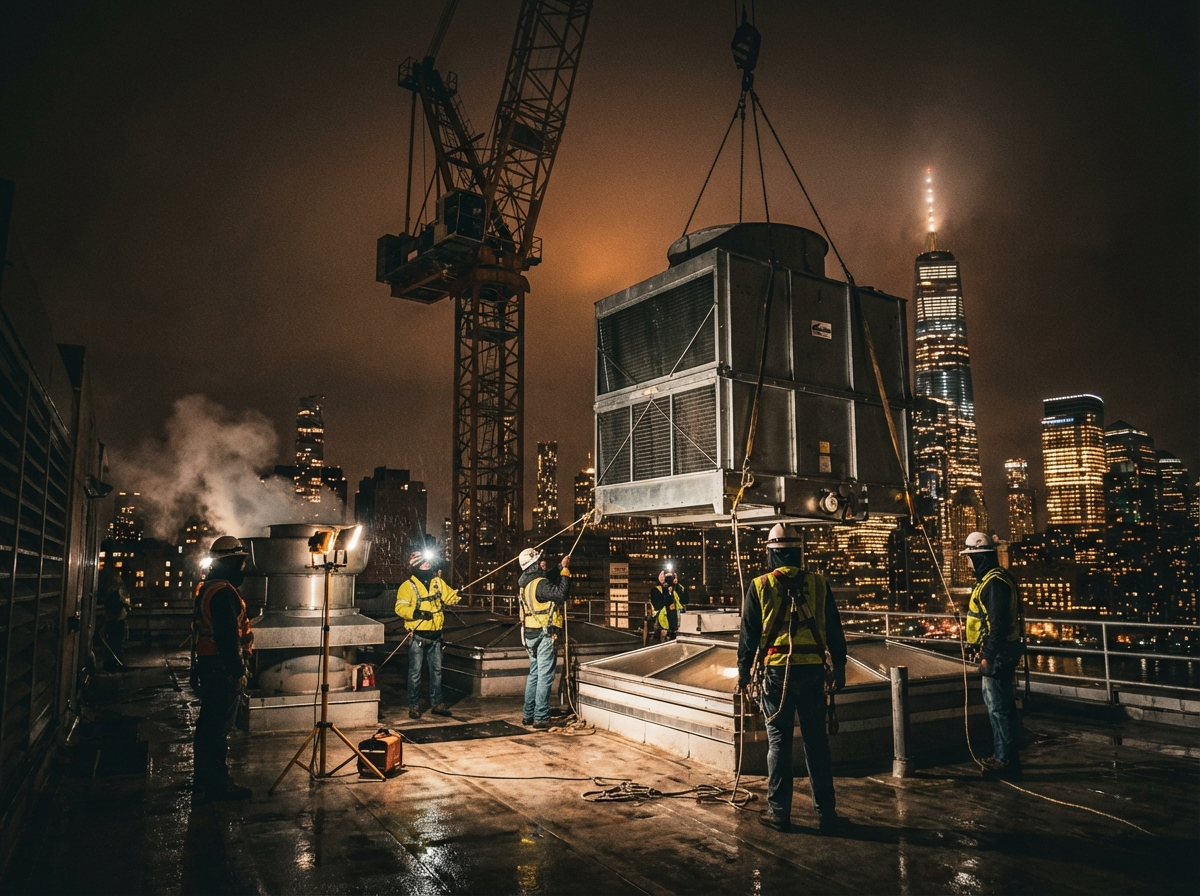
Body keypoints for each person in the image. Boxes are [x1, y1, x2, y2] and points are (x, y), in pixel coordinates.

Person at [737, 523, 846, 834]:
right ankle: (827, 814)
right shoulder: (818, 584)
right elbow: (835, 631)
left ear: (771, 552)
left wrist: (744, 674)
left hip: (776, 674)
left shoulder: (760, 586)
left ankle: (779, 814)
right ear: (799, 552)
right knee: (817, 745)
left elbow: (748, 636)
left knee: (779, 744)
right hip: (812, 672)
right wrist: (838, 668)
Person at [191, 536, 255, 803]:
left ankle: (204, 780)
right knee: (217, 729)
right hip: (222, 666)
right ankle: (218, 784)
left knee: (208, 727)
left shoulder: (207, 587)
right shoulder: (224, 592)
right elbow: (228, 635)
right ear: (231, 562)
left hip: (209, 663)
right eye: (240, 562)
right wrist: (237, 670)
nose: (243, 568)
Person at [962, 531, 1024, 778]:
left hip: (999, 654)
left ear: (979, 557)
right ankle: (1003, 756)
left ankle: (1007, 762)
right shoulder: (994, 578)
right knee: (998, 707)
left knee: (1000, 708)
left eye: (970, 557)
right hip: (1002, 651)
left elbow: (997, 625)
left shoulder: (993, 584)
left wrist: (987, 655)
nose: (967, 562)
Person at [395, 538, 460, 719]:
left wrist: (456, 596)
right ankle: (414, 706)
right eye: (423, 563)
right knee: (415, 673)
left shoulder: (437, 583)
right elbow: (400, 608)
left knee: (436, 672)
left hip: (436, 636)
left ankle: (437, 704)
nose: (427, 565)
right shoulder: (407, 587)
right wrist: (417, 613)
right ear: (416, 566)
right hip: (418, 636)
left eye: (428, 563)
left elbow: (449, 597)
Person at [518, 547, 571, 729]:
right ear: (533, 565)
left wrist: (559, 566)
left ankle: (528, 714)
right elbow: (560, 594)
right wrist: (565, 573)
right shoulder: (540, 584)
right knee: (545, 676)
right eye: (540, 560)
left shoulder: (527, 585)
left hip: (531, 634)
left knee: (534, 673)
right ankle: (541, 717)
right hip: (545, 633)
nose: (544, 562)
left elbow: (547, 578)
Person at [101, 569, 132, 671]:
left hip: (115, 623)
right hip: (116, 623)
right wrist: (125, 606)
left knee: (115, 644)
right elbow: (115, 608)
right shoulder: (115, 595)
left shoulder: (112, 594)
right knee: (116, 645)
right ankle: (112, 665)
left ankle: (112, 665)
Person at [649, 567, 687, 641]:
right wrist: (665, 588)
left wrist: (677, 584)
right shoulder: (656, 590)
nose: (668, 580)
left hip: (674, 618)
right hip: (664, 618)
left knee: (673, 636)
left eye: (670, 577)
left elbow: (685, 599)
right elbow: (659, 604)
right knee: (663, 635)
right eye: (665, 577)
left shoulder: (675, 589)